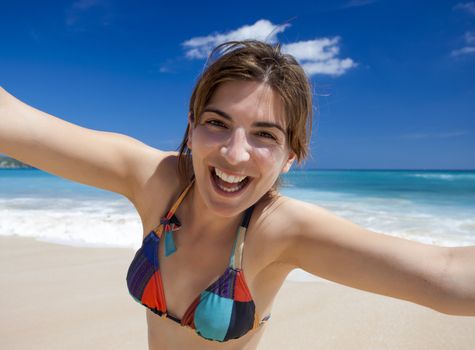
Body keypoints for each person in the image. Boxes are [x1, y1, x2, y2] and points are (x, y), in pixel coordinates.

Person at [0, 40, 474, 349]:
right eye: (217, 124)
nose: (234, 153)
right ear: (192, 127)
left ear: (291, 155)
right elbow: (17, 124)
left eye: (264, 135)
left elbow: (447, 275)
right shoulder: (155, 181)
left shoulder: (281, 230)